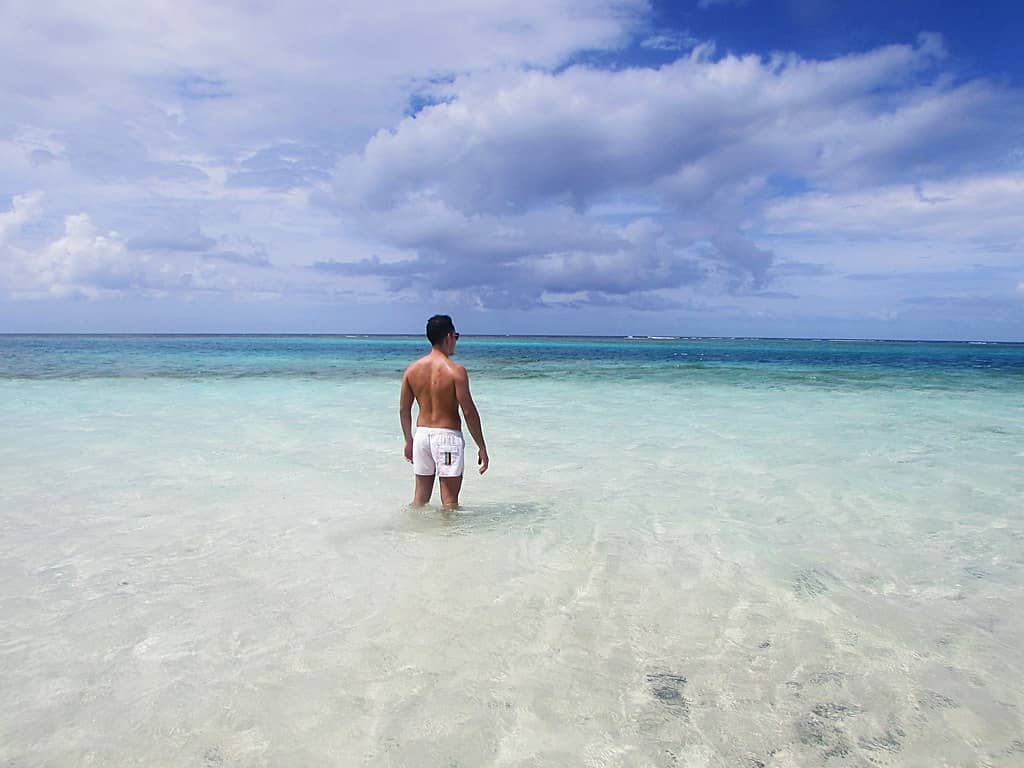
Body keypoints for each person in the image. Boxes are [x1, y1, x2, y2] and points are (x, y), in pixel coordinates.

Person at [399, 315, 489, 508]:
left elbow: (404, 410)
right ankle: (449, 538)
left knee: (419, 500)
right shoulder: (456, 371)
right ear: (448, 336)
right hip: (447, 443)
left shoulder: (412, 370)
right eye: (456, 336)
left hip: (422, 438)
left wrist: (408, 440)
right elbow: (468, 412)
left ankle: (410, 533)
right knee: (449, 502)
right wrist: (481, 445)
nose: (456, 341)